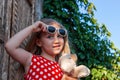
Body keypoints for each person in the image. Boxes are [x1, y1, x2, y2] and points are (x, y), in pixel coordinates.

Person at [5, 18, 77, 80]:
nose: (56, 40)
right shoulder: (31, 60)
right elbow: (10, 46)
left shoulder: (63, 68)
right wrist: (32, 28)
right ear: (39, 42)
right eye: (49, 37)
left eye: (59, 36)